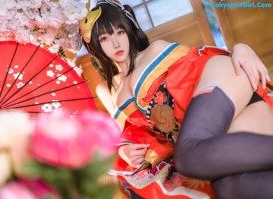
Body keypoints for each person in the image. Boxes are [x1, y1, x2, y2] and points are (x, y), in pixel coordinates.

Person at [78, 1, 273, 198]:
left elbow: (198, 61)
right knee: (230, 189)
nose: (116, 44)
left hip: (221, 85)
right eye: (104, 38)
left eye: (119, 32)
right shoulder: (106, 89)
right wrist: (123, 150)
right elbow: (128, 131)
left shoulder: (155, 50)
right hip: (211, 129)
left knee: (187, 158)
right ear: (94, 45)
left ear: (128, 29)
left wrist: (240, 48)